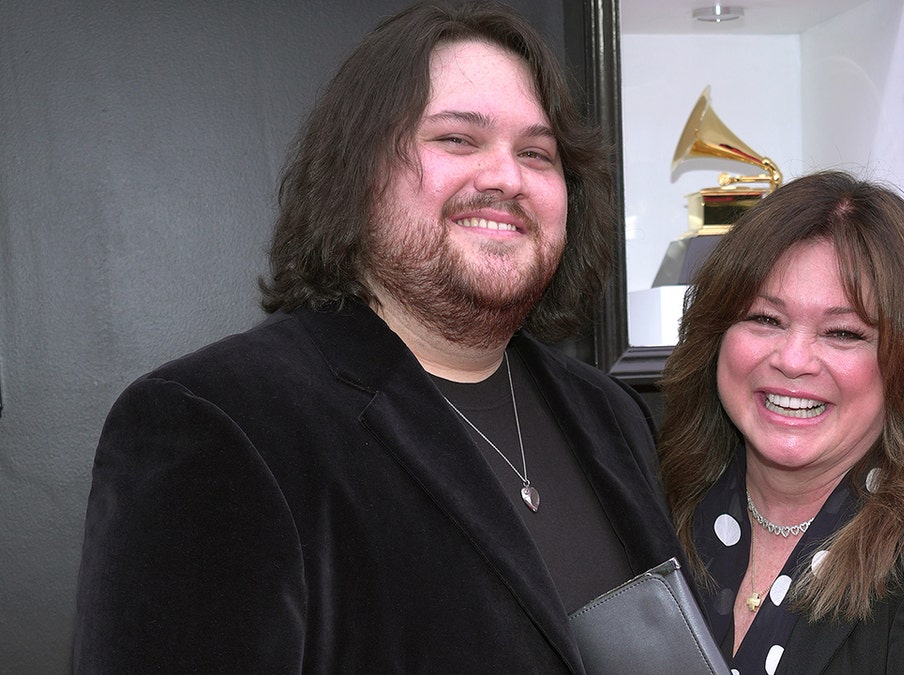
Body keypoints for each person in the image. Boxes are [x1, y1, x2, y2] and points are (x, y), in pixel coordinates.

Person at [73, 2, 683, 672]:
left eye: (536, 153)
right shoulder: (213, 423)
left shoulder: (612, 415)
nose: (506, 177)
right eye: (457, 139)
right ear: (358, 173)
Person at [657, 171, 904, 673]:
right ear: (716, 335)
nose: (794, 359)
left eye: (843, 332)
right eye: (765, 319)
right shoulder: (649, 512)